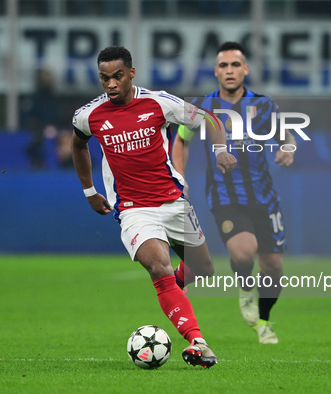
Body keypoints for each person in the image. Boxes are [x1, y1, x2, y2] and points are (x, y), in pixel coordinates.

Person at [71, 46, 237, 368]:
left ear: (131, 73)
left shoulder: (159, 102)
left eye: (117, 76)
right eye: (104, 78)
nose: (111, 85)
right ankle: (197, 342)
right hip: (134, 210)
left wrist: (219, 151)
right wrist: (89, 190)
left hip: (174, 203)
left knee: (203, 269)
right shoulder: (89, 115)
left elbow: (211, 120)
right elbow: (78, 143)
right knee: (158, 267)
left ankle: (175, 291)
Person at [172, 42, 296, 344]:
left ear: (245, 70)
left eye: (235, 65)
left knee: (274, 267)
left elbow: (286, 135)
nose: (229, 71)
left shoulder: (264, 106)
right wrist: (179, 177)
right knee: (243, 252)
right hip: (225, 198)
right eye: (223, 65)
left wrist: (287, 149)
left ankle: (264, 321)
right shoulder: (202, 106)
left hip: (265, 198)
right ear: (216, 71)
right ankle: (245, 288)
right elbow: (181, 141)